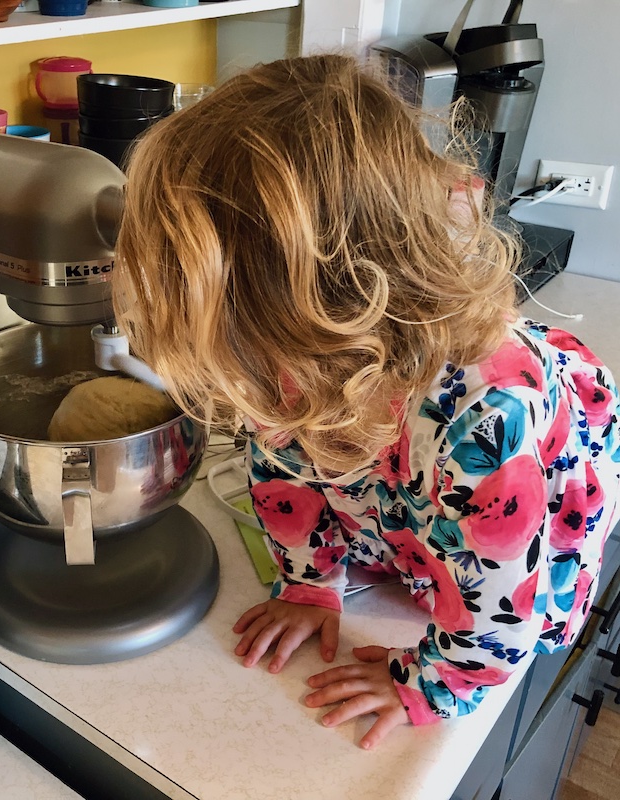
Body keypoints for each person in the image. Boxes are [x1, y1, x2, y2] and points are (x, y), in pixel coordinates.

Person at [112, 54, 620, 750]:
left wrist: (434, 681)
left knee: (473, 540)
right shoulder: (292, 356)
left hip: (522, 510)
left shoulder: (486, 418)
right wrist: (308, 581)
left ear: (317, 309)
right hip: (407, 473)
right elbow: (286, 471)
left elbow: (499, 616)